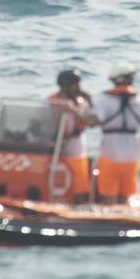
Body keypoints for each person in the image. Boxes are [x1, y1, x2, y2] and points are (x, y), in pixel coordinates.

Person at [91, 62, 140, 205]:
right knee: (125, 197)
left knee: (108, 195)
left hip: (110, 150)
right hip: (132, 152)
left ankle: (108, 223)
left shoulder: (104, 99)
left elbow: (95, 120)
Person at [46, 68, 93, 204]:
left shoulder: (80, 102)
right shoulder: (52, 101)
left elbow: (89, 121)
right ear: (66, 86)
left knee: (79, 174)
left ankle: (80, 202)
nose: (78, 88)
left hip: (75, 142)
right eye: (75, 85)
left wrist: (76, 109)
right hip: (54, 142)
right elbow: (40, 120)